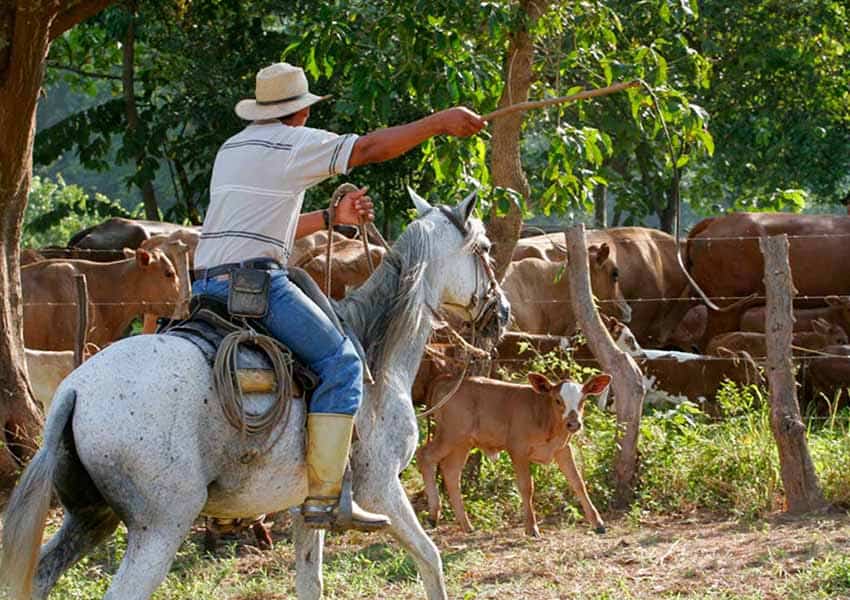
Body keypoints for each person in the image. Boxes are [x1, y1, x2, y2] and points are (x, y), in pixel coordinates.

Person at [192, 62, 485, 531]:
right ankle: (327, 496)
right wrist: (438, 123)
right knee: (344, 362)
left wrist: (330, 218)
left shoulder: (233, 148)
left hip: (206, 286)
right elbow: (367, 148)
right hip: (256, 285)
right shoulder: (291, 142)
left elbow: (267, 225)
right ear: (300, 114)